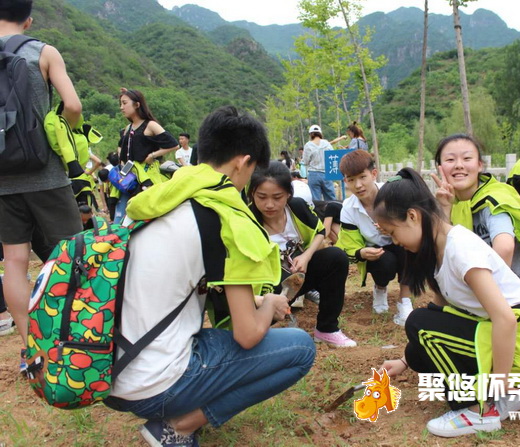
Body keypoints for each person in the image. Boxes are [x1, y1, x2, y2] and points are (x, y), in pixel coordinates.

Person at [104, 106, 316, 446]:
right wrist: (269, 305)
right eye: (252, 172)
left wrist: (258, 300)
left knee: (214, 335)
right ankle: (180, 426)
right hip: (154, 384)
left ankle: (173, 407)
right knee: (301, 349)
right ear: (242, 162)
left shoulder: (154, 201)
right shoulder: (224, 217)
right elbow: (247, 335)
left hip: (107, 371)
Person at [376, 168, 520, 439]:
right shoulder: (438, 249)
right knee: (421, 338)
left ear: (413, 216)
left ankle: (479, 411)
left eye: (392, 232)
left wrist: (499, 380)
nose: (395, 241)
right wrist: (405, 360)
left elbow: (505, 319)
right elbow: (447, 316)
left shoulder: (461, 249)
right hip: (515, 340)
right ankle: (512, 393)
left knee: (419, 322)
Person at [0, 0, 83, 374]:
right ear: (28, 18)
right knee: (74, 255)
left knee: (15, 263)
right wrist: (59, 131)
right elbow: (73, 105)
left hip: (1, 179)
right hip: (45, 172)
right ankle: (79, 340)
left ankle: (32, 351)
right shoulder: (42, 51)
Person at [433, 134, 520, 312]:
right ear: (439, 167)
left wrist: (483, 297)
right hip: (497, 282)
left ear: (479, 165)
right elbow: (444, 258)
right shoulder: (452, 203)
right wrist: (444, 207)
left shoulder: (494, 198)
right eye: (450, 159)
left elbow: (504, 248)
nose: (459, 165)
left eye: (467, 158)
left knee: (498, 318)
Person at [249, 161, 356, 347]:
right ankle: (259, 330)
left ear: (288, 194)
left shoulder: (296, 208)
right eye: (262, 197)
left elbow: (320, 232)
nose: (269, 204)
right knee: (254, 328)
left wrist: (306, 256)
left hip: (298, 274)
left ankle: (327, 329)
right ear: (252, 194)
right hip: (267, 290)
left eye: (277, 197)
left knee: (335, 257)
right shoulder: (246, 221)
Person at [337, 150, 413, 325]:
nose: (358, 185)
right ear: (345, 181)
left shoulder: (392, 195)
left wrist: (394, 230)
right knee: (384, 263)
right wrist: (362, 252)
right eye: (351, 179)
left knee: (406, 250)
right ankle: (380, 287)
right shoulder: (348, 208)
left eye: (362, 177)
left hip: (401, 242)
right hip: (376, 250)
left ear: (373, 174)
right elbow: (349, 243)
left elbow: (413, 225)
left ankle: (405, 300)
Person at [115, 88, 179, 223]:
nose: (122, 107)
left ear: (137, 105)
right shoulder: (128, 128)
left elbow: (173, 144)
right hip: (128, 178)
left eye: (124, 103)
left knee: (147, 217)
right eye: (120, 104)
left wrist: (153, 155)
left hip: (146, 176)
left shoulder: (150, 125)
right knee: (121, 216)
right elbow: (121, 147)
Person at [303, 124, 337, 201]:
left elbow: (305, 161)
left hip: (313, 174)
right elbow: (332, 157)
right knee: (330, 198)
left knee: (316, 200)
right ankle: (332, 212)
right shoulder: (327, 143)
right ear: (320, 133)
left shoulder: (308, 145)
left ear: (311, 134)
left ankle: (318, 213)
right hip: (326, 174)